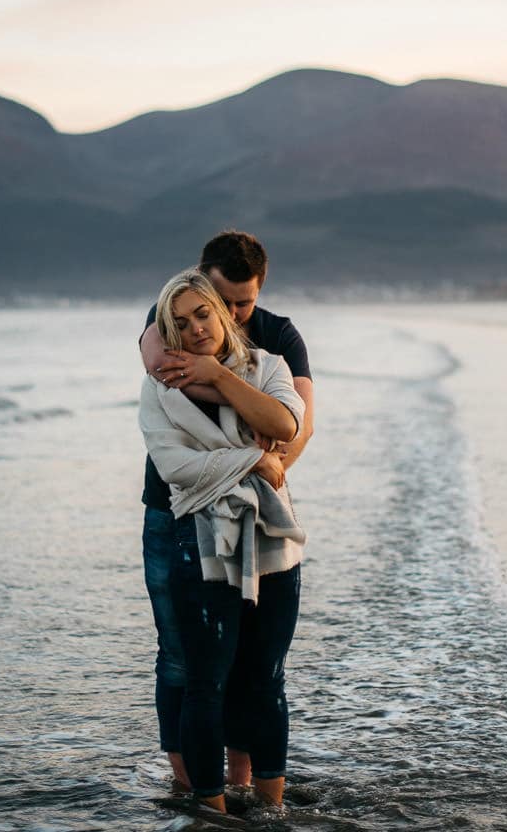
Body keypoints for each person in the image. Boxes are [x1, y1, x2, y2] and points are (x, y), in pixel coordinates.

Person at [137, 231, 315, 793]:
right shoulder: (172, 314)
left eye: (244, 303)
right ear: (201, 282)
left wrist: (276, 463)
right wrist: (252, 458)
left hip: (260, 517)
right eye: (222, 301)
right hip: (177, 517)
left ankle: (240, 783)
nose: (233, 314)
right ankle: (189, 787)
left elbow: (298, 422)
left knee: (254, 669)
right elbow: (164, 382)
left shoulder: (276, 340)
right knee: (182, 658)